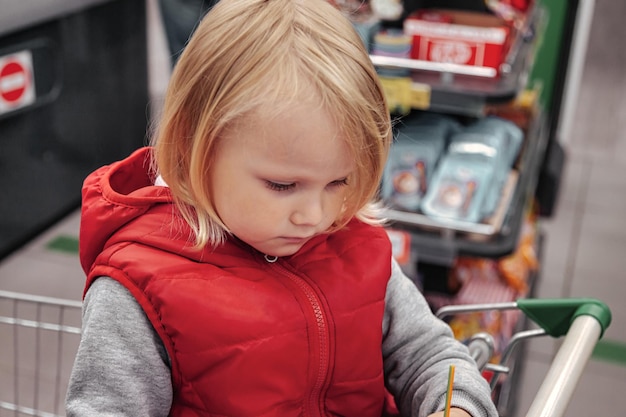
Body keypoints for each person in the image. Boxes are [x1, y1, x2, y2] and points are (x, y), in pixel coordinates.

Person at [66, 0, 498, 416]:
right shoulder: (138, 288)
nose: (314, 215)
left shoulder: (358, 248)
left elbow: (428, 354)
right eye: (283, 185)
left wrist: (456, 404)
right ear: (194, 146)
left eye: (338, 182)